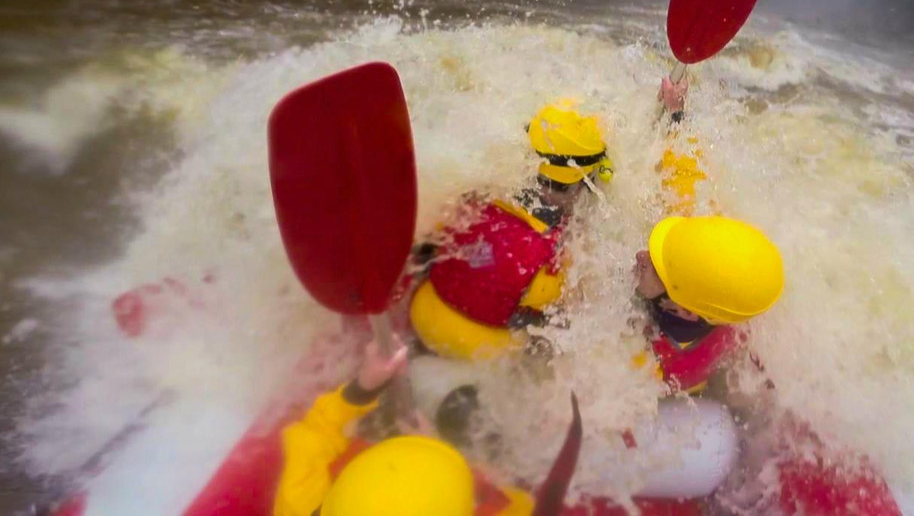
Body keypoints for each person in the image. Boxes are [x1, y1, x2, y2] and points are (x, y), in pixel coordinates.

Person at [409, 101, 613, 361]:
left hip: (422, 309)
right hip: (477, 349)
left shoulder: (479, 192)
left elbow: (435, 240)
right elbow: (555, 310)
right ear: (583, 184)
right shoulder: (560, 252)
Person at [636, 75, 785, 393]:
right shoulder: (702, 250)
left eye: (655, 265)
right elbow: (686, 172)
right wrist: (675, 113)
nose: (640, 255)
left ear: (684, 309)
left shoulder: (645, 356)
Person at [273, 338, 538, 516]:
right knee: (469, 415)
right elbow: (520, 503)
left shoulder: (299, 504)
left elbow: (315, 431)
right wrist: (459, 464)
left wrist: (365, 386)